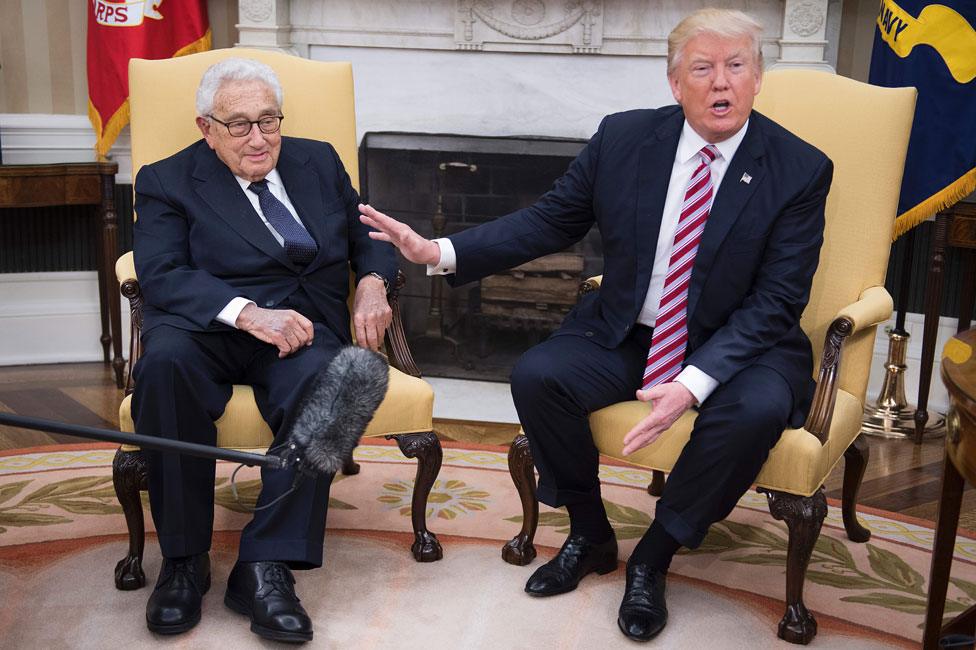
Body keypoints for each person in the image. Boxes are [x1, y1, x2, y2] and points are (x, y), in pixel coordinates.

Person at [359, 8, 831, 642]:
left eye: (736, 66)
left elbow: (777, 300)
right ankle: (590, 532)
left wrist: (693, 383)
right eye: (704, 68)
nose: (722, 83)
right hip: (632, 331)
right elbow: (550, 221)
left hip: (744, 346)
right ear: (675, 83)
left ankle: (654, 557)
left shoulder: (799, 168)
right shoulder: (625, 139)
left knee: (749, 414)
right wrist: (439, 251)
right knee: (538, 376)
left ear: (758, 77)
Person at [132, 57, 396, 642]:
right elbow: (162, 271)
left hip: (301, 326)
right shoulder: (166, 178)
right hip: (207, 323)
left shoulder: (318, 159)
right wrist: (248, 314)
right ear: (207, 127)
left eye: (269, 120)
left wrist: (374, 281)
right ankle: (183, 560)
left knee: (342, 383)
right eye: (239, 125)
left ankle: (264, 565)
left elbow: (367, 233)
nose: (258, 138)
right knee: (164, 369)